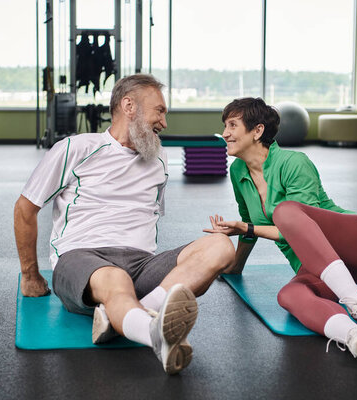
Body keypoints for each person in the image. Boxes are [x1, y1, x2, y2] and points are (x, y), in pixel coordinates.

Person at [14, 74, 235, 375]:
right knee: (116, 281)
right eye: (160, 111)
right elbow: (25, 208)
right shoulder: (76, 148)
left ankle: (131, 316)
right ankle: (155, 334)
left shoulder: (159, 158)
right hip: (82, 257)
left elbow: (150, 217)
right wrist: (30, 275)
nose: (164, 123)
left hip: (142, 265)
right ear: (129, 105)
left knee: (220, 246)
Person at [204, 97, 357, 365]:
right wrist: (235, 266)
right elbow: (246, 222)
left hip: (351, 241)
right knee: (288, 296)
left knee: (285, 211)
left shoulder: (293, 162)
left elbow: (298, 229)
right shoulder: (238, 170)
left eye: (232, 125)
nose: (225, 133)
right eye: (224, 126)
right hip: (316, 268)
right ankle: (356, 336)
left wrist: (249, 226)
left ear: (257, 131)